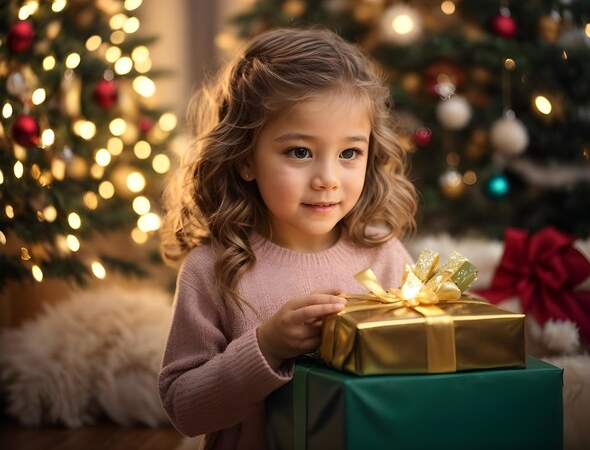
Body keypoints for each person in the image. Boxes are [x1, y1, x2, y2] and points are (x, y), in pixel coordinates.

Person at [158, 26, 418, 449]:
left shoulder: (383, 254)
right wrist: (267, 345)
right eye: (300, 152)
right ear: (245, 158)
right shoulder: (213, 267)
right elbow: (184, 408)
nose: (328, 180)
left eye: (349, 153)